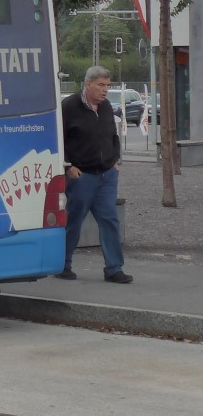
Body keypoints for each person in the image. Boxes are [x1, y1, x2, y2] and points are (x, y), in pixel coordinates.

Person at [58, 65, 133, 284]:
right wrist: (68, 166)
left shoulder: (107, 106)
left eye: (108, 86)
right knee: (73, 220)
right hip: (81, 176)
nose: (105, 90)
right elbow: (58, 139)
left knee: (110, 220)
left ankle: (113, 269)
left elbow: (113, 136)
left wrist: (115, 160)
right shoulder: (69, 107)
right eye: (101, 85)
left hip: (107, 175)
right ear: (88, 84)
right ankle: (63, 265)